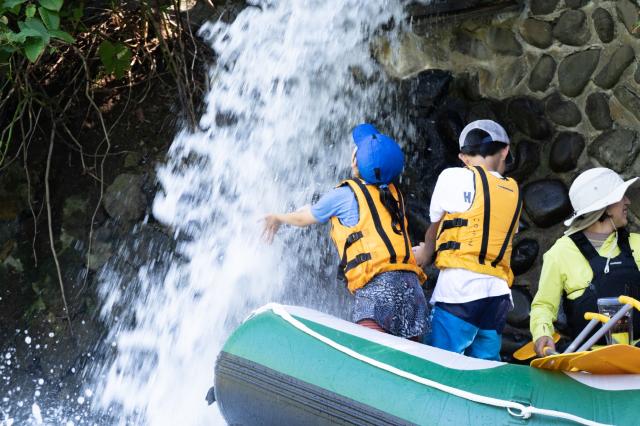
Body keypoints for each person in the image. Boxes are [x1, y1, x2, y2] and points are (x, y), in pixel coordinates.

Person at [263, 124, 428, 339]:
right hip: (412, 291)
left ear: (355, 162)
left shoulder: (345, 194)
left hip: (378, 292)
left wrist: (278, 217)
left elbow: (304, 218)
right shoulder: (395, 195)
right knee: (407, 352)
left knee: (370, 350)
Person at [413, 119, 522, 360]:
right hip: (497, 296)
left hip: (460, 290)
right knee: (484, 366)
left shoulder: (453, 177)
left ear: (463, 157)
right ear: (505, 150)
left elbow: (435, 226)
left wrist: (425, 253)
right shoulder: (514, 192)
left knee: (438, 360)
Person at [530, 167, 640, 357]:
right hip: (588, 361)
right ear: (605, 206)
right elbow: (544, 305)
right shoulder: (560, 253)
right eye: (621, 196)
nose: (627, 202)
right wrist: (542, 334)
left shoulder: (637, 243)